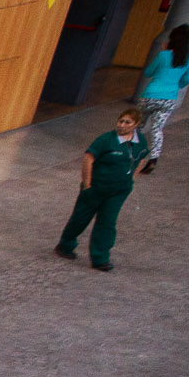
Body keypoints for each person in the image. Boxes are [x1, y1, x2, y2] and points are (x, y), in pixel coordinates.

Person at [55, 108, 150, 271]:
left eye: (127, 122)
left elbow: (141, 159)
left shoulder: (140, 141)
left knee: (107, 222)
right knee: (80, 219)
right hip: (96, 188)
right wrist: (87, 184)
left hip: (118, 191)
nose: (122, 125)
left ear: (135, 125)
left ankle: (100, 258)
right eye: (120, 121)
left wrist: (131, 179)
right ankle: (65, 244)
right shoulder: (106, 140)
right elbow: (88, 159)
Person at [131, 24, 189, 171]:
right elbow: (187, 80)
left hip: (150, 95)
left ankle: (133, 153)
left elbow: (148, 72)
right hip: (169, 98)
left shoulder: (163, 55)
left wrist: (163, 52)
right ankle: (153, 158)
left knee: (138, 125)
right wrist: (176, 83)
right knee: (157, 128)